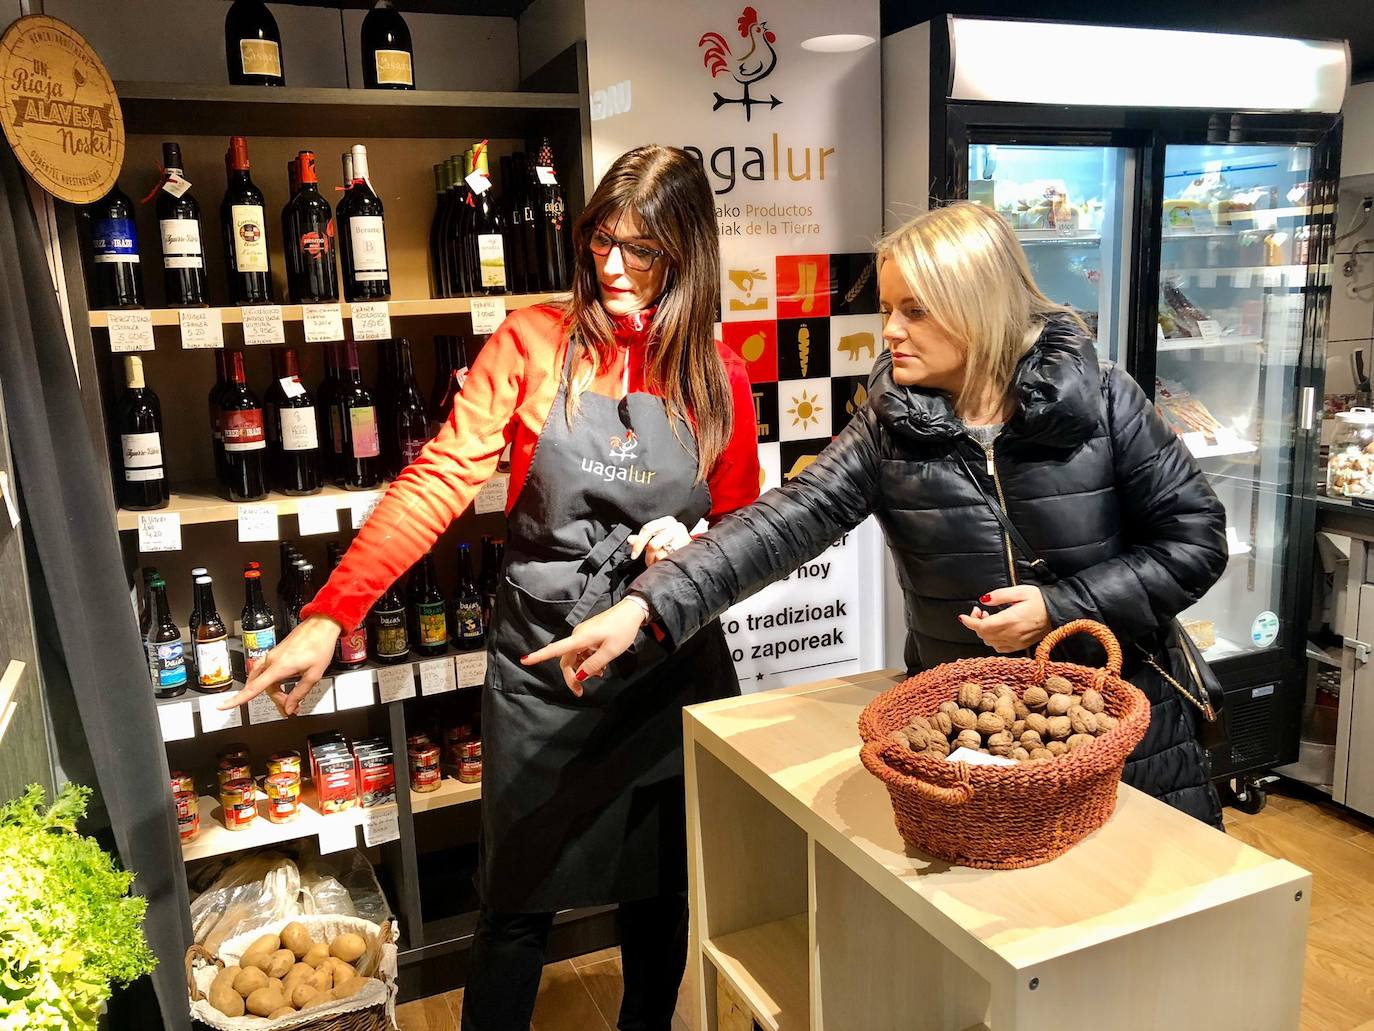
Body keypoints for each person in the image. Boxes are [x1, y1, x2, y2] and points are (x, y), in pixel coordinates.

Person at [224, 145, 760, 1030]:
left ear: (688, 253)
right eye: (601, 244)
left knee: (660, 898)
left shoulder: (717, 370)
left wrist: (697, 540)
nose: (615, 269)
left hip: (666, 665)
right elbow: (435, 481)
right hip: (544, 666)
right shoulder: (531, 341)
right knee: (515, 906)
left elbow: (743, 519)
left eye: (644, 251)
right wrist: (332, 611)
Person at [527, 200, 1229, 826]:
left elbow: (1196, 540)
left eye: (915, 310)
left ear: (978, 306)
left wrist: (1060, 607)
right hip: (975, 748)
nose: (889, 329)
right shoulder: (889, 426)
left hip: (1128, 733)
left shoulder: (1106, 402)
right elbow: (783, 523)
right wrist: (646, 607)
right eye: (888, 307)